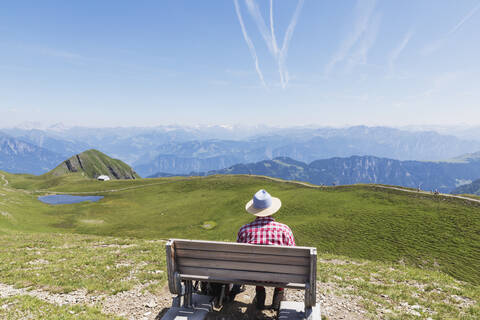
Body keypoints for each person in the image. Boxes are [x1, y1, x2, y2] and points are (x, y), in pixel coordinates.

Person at [234, 189, 295, 310]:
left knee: (256, 267)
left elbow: (238, 255)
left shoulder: (244, 230)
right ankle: (279, 295)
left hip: (252, 275)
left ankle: (260, 292)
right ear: (272, 209)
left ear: (254, 211)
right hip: (279, 276)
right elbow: (293, 257)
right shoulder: (284, 229)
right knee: (281, 266)